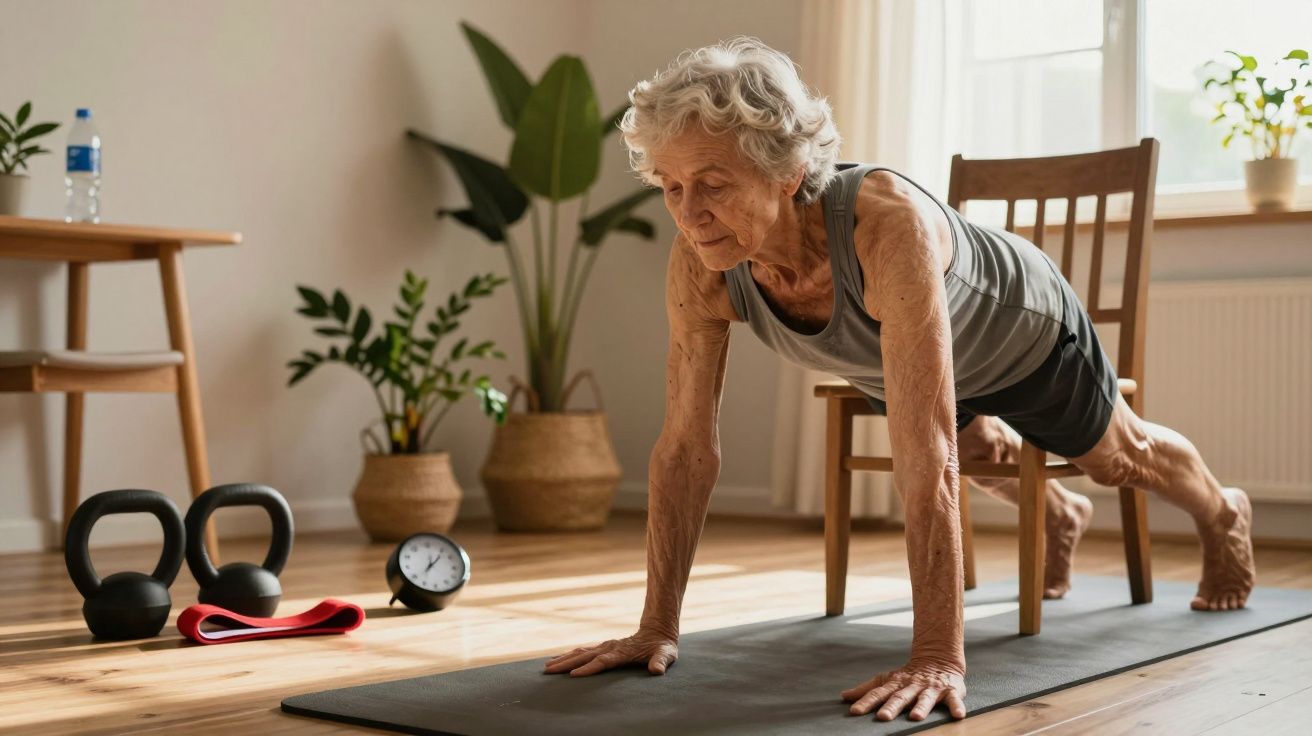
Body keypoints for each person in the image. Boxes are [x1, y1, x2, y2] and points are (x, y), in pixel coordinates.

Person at [542, 36, 1256, 723]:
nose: (689, 213)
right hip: (895, 353)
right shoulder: (703, 258)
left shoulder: (886, 228)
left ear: (787, 172)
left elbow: (926, 449)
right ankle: (1059, 516)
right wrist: (656, 626)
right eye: (671, 187)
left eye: (713, 185)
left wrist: (938, 657)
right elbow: (685, 446)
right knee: (981, 450)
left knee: (1116, 458)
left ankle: (1223, 512)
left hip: (1023, 335)